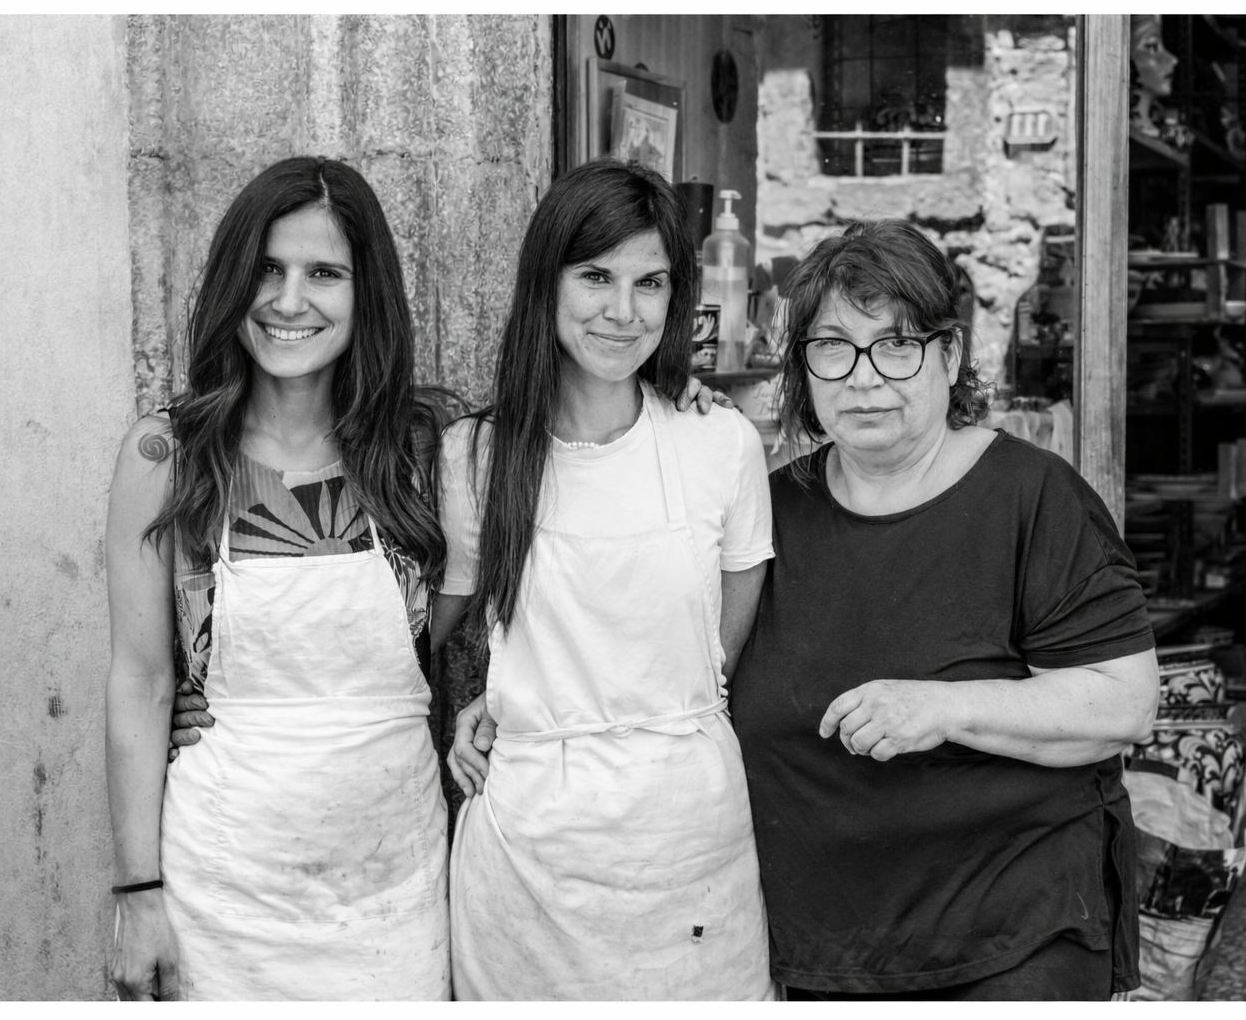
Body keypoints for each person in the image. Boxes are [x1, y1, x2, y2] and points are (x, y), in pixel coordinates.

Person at [727, 220, 1161, 1000]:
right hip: (826, 943)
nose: (863, 378)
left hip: (1012, 934)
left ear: (951, 355)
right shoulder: (767, 514)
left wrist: (942, 708)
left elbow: (1124, 702)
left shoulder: (1032, 498)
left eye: (896, 345)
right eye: (832, 347)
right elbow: (687, 658)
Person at [105, 157, 460, 999]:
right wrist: (136, 894)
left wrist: (683, 400)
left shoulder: (428, 450)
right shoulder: (168, 456)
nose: (290, 300)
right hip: (224, 899)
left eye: (324, 273)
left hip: (396, 895)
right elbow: (142, 679)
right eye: (268, 269)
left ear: (365, 294)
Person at [439, 159, 776, 999]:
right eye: (595, 276)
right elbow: (443, 630)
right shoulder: (477, 455)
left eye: (650, 283)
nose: (623, 312)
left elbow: (716, 651)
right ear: (545, 283)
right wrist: (477, 708)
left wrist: (626, 713)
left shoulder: (721, 444)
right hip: (529, 853)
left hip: (687, 843)